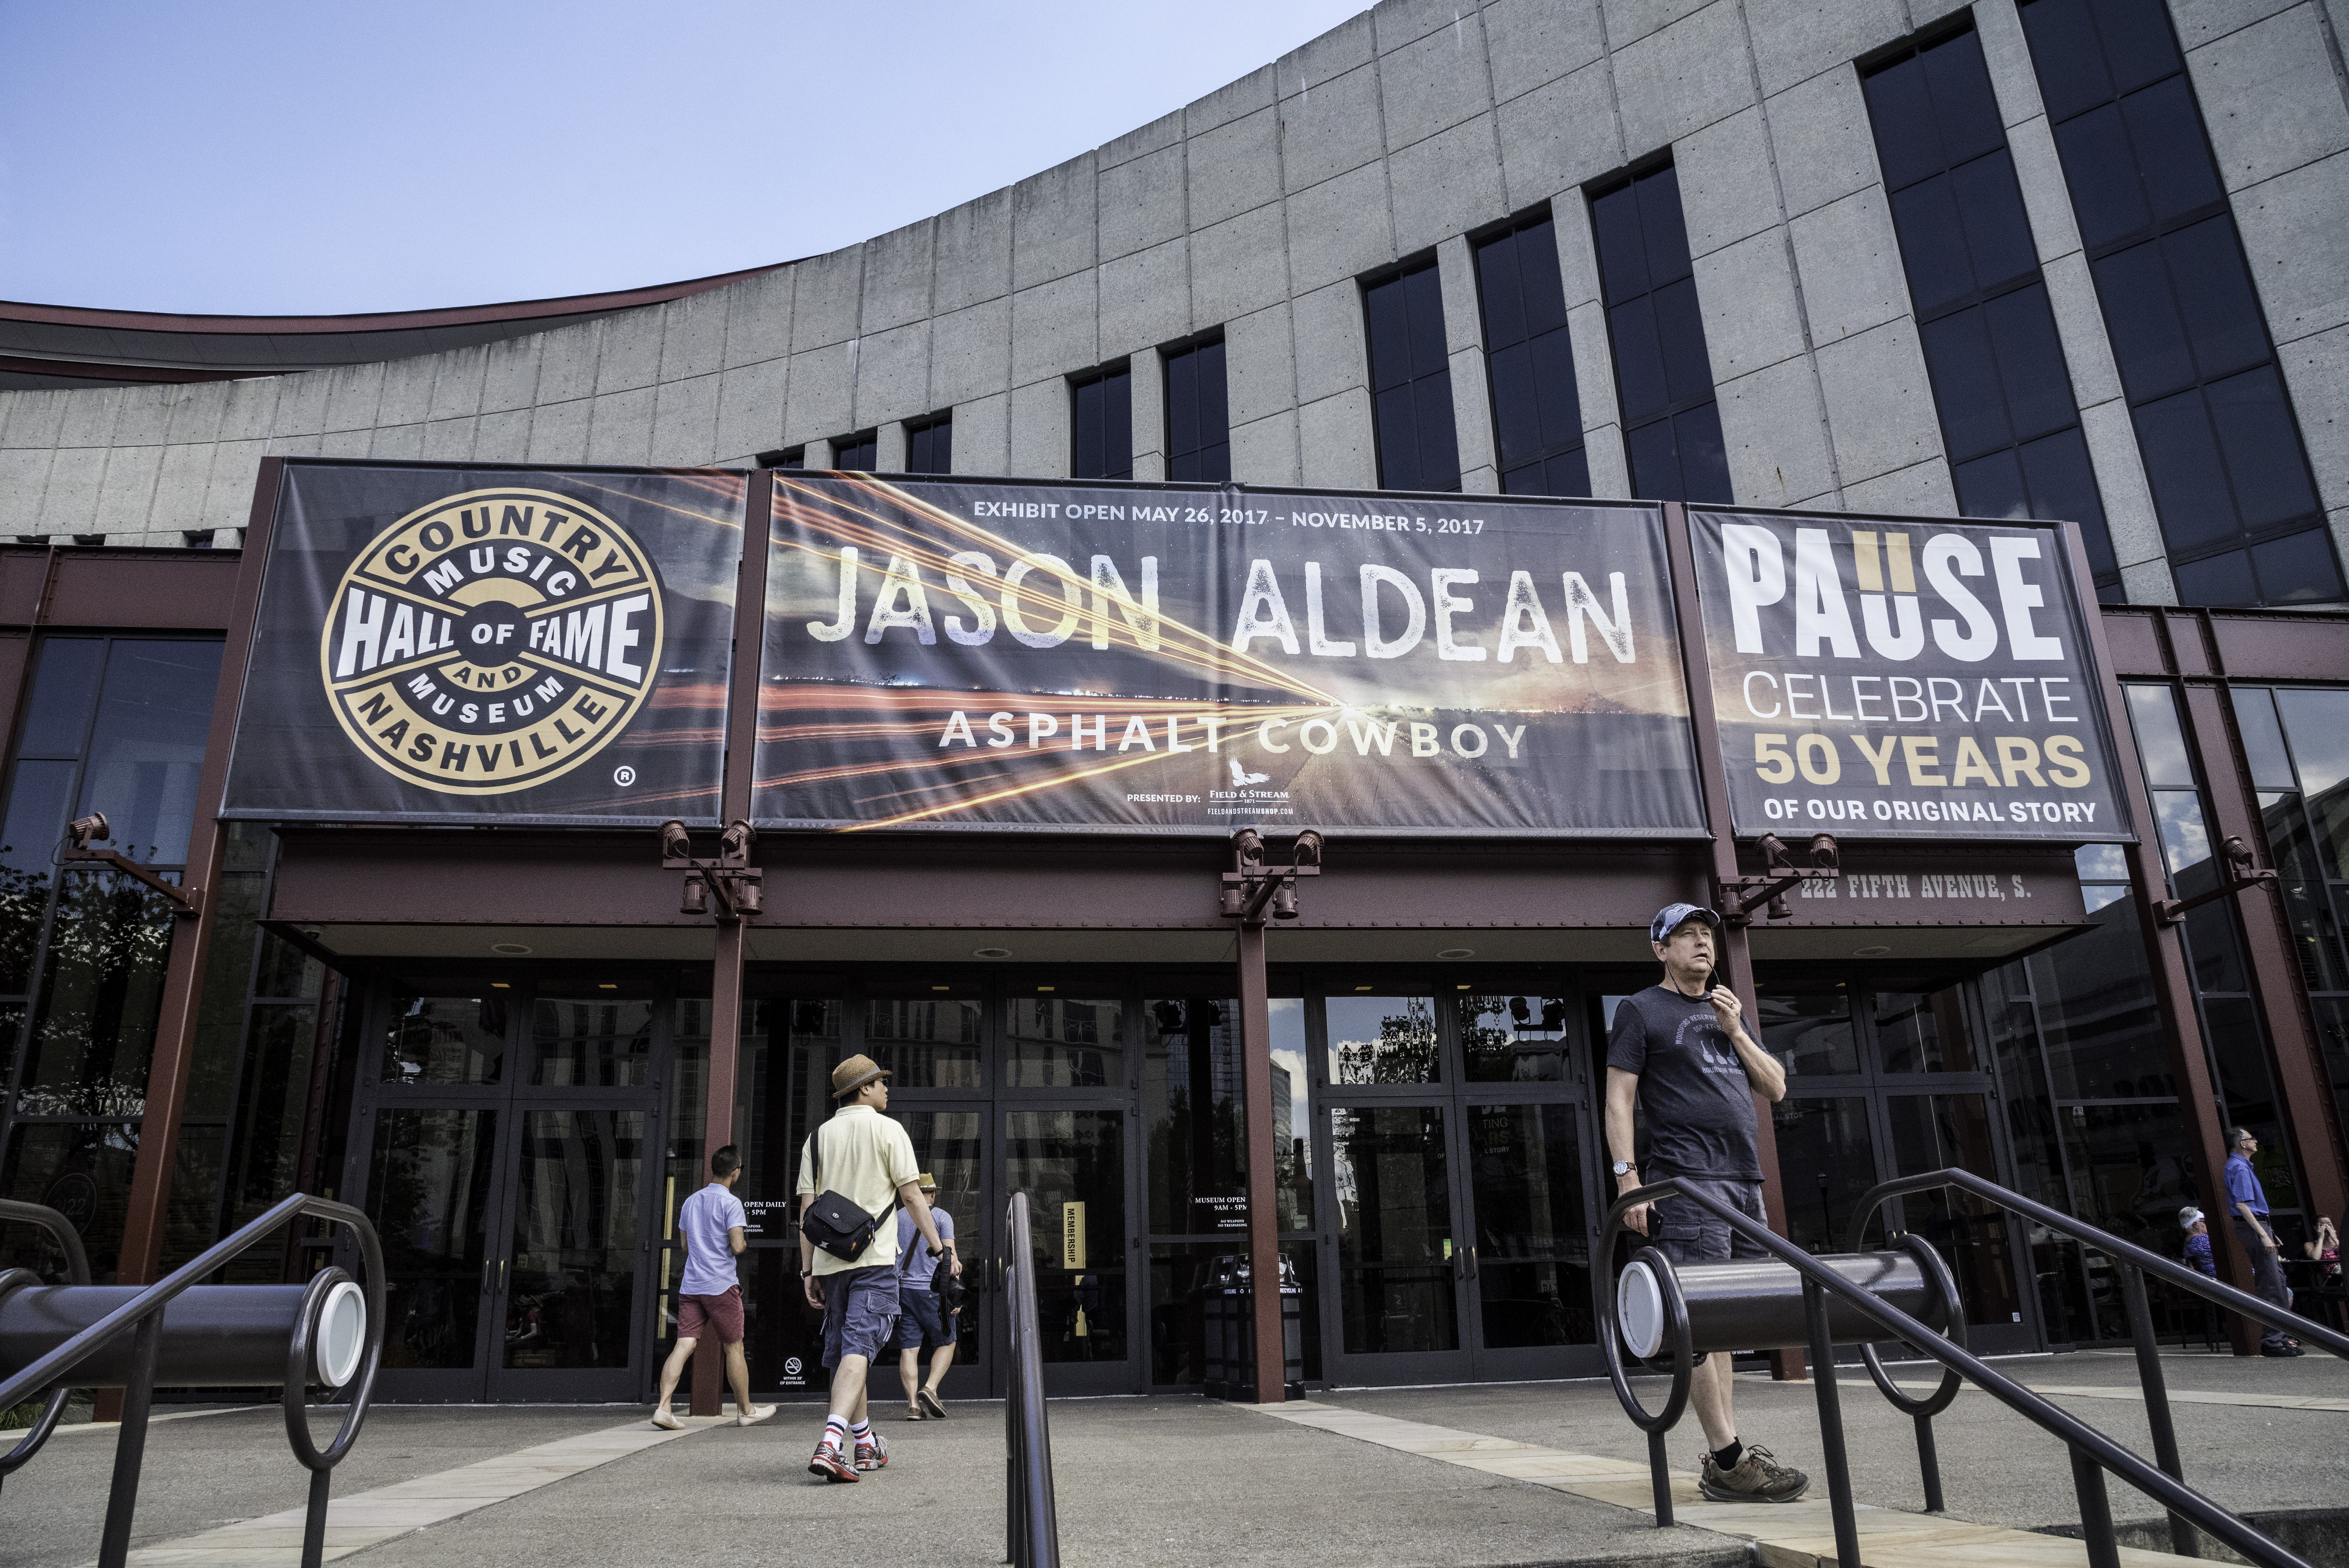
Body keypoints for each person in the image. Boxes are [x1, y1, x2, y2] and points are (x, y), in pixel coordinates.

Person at [1607, 903, 1809, 1504]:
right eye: (1686, 936)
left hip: (1745, 1184)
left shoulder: (1728, 1011)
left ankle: (1730, 1456)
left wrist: (1738, 1031)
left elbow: (1775, 1086)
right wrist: (1629, 1181)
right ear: (1660, 950)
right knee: (1696, 1319)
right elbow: (1619, 1100)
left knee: (1726, 1321)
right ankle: (1729, 1457)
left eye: (1706, 935)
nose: (1701, 943)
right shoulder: (1641, 1010)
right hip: (1688, 1184)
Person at [797, 1054, 948, 1481]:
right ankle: (831, 1442)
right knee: (859, 1351)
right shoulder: (889, 1130)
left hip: (831, 1264)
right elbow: (914, 1197)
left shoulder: (818, 1137)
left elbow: (807, 1212)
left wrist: (808, 1271)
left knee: (850, 1352)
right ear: (863, 1087)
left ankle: (864, 1443)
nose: (887, 1089)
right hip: (874, 1261)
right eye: (882, 1082)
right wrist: (939, 1251)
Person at [652, 1144, 775, 1430]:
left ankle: (663, 1408)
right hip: (721, 1286)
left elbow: (685, 1246)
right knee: (734, 1347)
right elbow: (737, 1245)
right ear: (736, 1172)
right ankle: (746, 1411)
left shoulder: (691, 1202)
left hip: (692, 1284)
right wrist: (741, 1244)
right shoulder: (731, 1204)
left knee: (684, 1344)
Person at [890, 1173, 963, 1420]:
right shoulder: (941, 1217)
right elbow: (950, 1259)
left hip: (903, 1291)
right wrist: (955, 1295)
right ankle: (930, 1388)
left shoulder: (896, 1218)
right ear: (931, 1195)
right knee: (947, 1342)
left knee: (909, 1350)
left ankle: (913, 1406)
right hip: (933, 1291)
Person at [2222, 1127, 2301, 1356]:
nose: (2256, 1141)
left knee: (2277, 1281)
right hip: (2254, 1226)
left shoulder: (2243, 1166)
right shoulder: (2238, 1166)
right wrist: (2263, 1233)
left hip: (2258, 1225)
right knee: (2271, 1284)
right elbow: (2242, 1205)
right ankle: (2273, 1341)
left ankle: (2281, 1338)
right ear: (2242, 1144)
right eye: (2251, 1139)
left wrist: (2269, 1231)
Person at [2180, 1206, 2221, 1351]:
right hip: (2223, 1285)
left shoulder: (2188, 1241)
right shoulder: (2201, 1240)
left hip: (2212, 1284)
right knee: (2283, 1291)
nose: (2207, 1224)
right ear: (2196, 1224)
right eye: (2204, 1221)